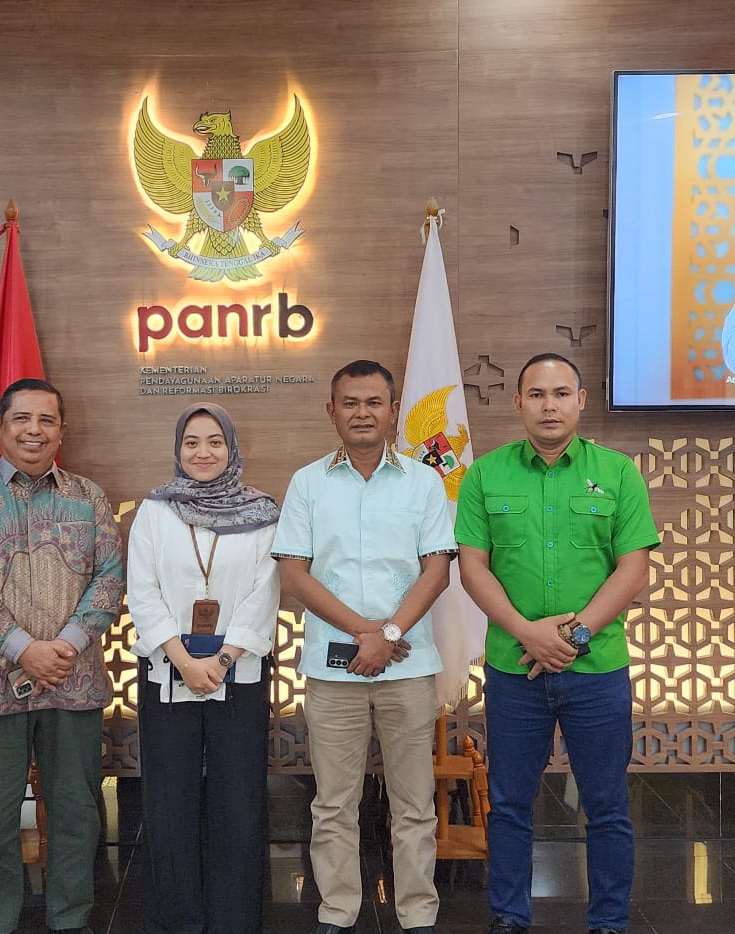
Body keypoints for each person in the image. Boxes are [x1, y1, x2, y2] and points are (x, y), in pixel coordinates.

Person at [455, 353, 659, 934]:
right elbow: (472, 567)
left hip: (597, 670)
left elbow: (633, 568)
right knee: (510, 804)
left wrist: (576, 635)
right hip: (513, 669)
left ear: (581, 401)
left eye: (561, 393)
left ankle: (609, 921)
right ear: (517, 402)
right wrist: (528, 633)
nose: (550, 405)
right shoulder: (485, 475)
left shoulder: (617, 472)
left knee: (606, 805)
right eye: (537, 394)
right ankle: (509, 916)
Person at [0, 377, 124, 934]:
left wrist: (65, 647)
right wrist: (23, 648)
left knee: (77, 812)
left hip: (73, 679)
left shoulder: (88, 497)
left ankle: (71, 918)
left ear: (62, 429)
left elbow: (110, 579)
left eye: (46, 420)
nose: (34, 430)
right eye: (22, 418)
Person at [271, 359, 455, 934]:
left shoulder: (424, 481)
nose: (362, 413)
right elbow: (294, 575)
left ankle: (418, 912)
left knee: (414, 803)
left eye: (374, 402)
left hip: (408, 668)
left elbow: (437, 571)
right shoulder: (307, 482)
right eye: (350, 403)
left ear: (394, 410)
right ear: (331, 411)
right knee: (333, 804)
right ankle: (337, 911)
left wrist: (389, 635)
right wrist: (365, 634)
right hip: (334, 672)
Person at [128, 403, 281, 934]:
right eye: (191, 442)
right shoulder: (155, 510)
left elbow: (266, 591)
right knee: (170, 800)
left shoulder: (262, 512)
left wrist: (219, 660)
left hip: (238, 676)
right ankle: (178, 918)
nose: (203, 452)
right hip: (167, 675)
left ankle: (235, 918)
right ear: (178, 449)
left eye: (215, 441)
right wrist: (182, 660)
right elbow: (142, 590)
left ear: (232, 448)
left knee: (238, 800)